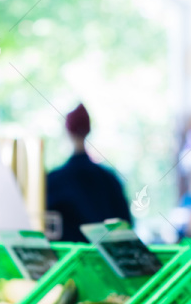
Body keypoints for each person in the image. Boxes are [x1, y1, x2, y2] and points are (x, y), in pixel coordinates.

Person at [46, 103, 132, 242]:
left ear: (67, 132)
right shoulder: (110, 179)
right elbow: (126, 225)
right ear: (88, 130)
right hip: (105, 260)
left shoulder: (53, 181)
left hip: (68, 262)